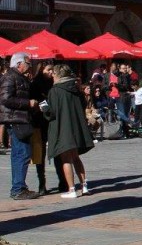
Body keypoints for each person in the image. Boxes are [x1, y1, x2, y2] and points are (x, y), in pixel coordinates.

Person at [41, 65, 95, 199]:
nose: (52, 75)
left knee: (66, 159)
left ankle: (71, 189)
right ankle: (84, 186)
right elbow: (83, 105)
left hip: (63, 128)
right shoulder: (76, 89)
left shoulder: (55, 90)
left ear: (58, 74)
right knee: (76, 157)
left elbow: (52, 113)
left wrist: (44, 107)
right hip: (76, 127)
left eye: (53, 73)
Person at [1, 53, 41, 200]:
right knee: (23, 153)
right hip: (16, 119)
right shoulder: (10, 77)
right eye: (28, 63)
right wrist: (27, 103)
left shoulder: (19, 77)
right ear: (18, 64)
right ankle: (18, 188)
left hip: (19, 118)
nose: (29, 65)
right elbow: (5, 99)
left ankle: (18, 187)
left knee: (19, 154)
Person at [30, 63, 59, 193]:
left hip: (52, 120)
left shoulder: (54, 82)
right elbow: (34, 99)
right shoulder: (35, 83)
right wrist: (44, 104)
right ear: (42, 69)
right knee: (39, 153)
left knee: (57, 149)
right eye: (48, 70)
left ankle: (63, 181)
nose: (51, 72)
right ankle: (42, 184)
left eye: (52, 70)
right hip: (39, 121)